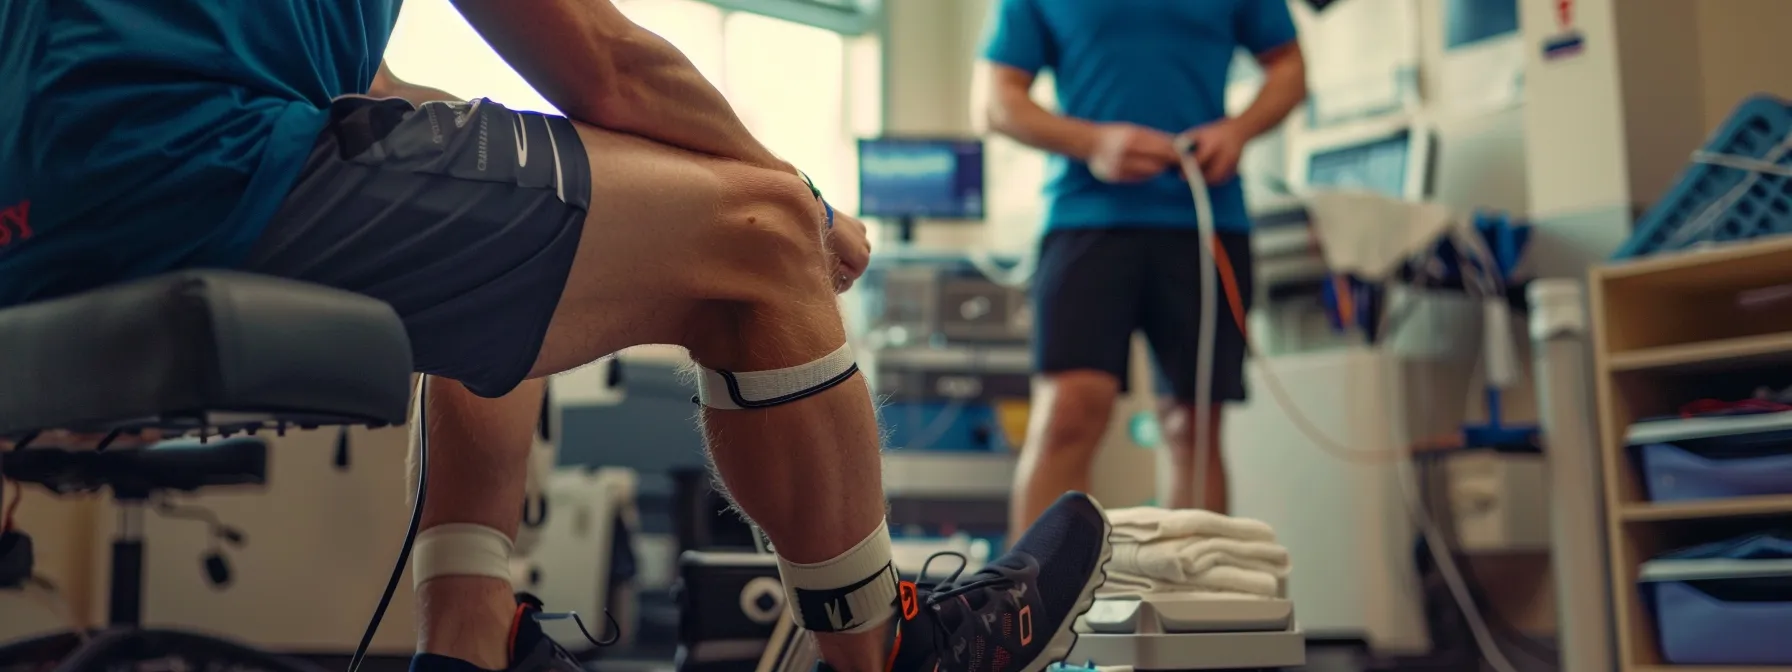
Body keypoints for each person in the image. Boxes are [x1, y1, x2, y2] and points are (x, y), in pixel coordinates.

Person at [0, 2, 1115, 671]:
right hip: (195, 170)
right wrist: (801, 198)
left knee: (481, 213)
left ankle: (465, 650)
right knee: (760, 234)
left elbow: (380, 104)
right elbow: (602, 59)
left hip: (39, 218)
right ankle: (885, 649)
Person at [978, 0, 1307, 526]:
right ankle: (1036, 605)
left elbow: (1288, 66)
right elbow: (997, 102)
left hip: (1205, 221)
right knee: (1068, 414)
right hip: (1086, 218)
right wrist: (1093, 142)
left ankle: (1194, 605)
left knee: (1193, 427)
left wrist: (1238, 131)